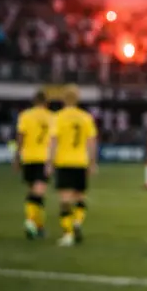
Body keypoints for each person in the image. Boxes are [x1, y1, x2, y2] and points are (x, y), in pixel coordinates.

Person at [45, 85, 98, 247]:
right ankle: (77, 222)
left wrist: (49, 162)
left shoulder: (58, 117)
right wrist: (93, 162)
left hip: (64, 161)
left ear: (63, 99)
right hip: (80, 161)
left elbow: (53, 141)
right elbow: (91, 142)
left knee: (65, 199)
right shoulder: (86, 118)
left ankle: (68, 234)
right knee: (80, 197)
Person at [15, 90, 55, 239]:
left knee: (33, 190)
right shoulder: (52, 117)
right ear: (47, 102)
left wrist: (17, 156)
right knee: (39, 192)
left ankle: (38, 227)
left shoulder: (25, 116)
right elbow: (54, 140)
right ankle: (30, 221)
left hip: (28, 156)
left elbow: (20, 137)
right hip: (44, 158)